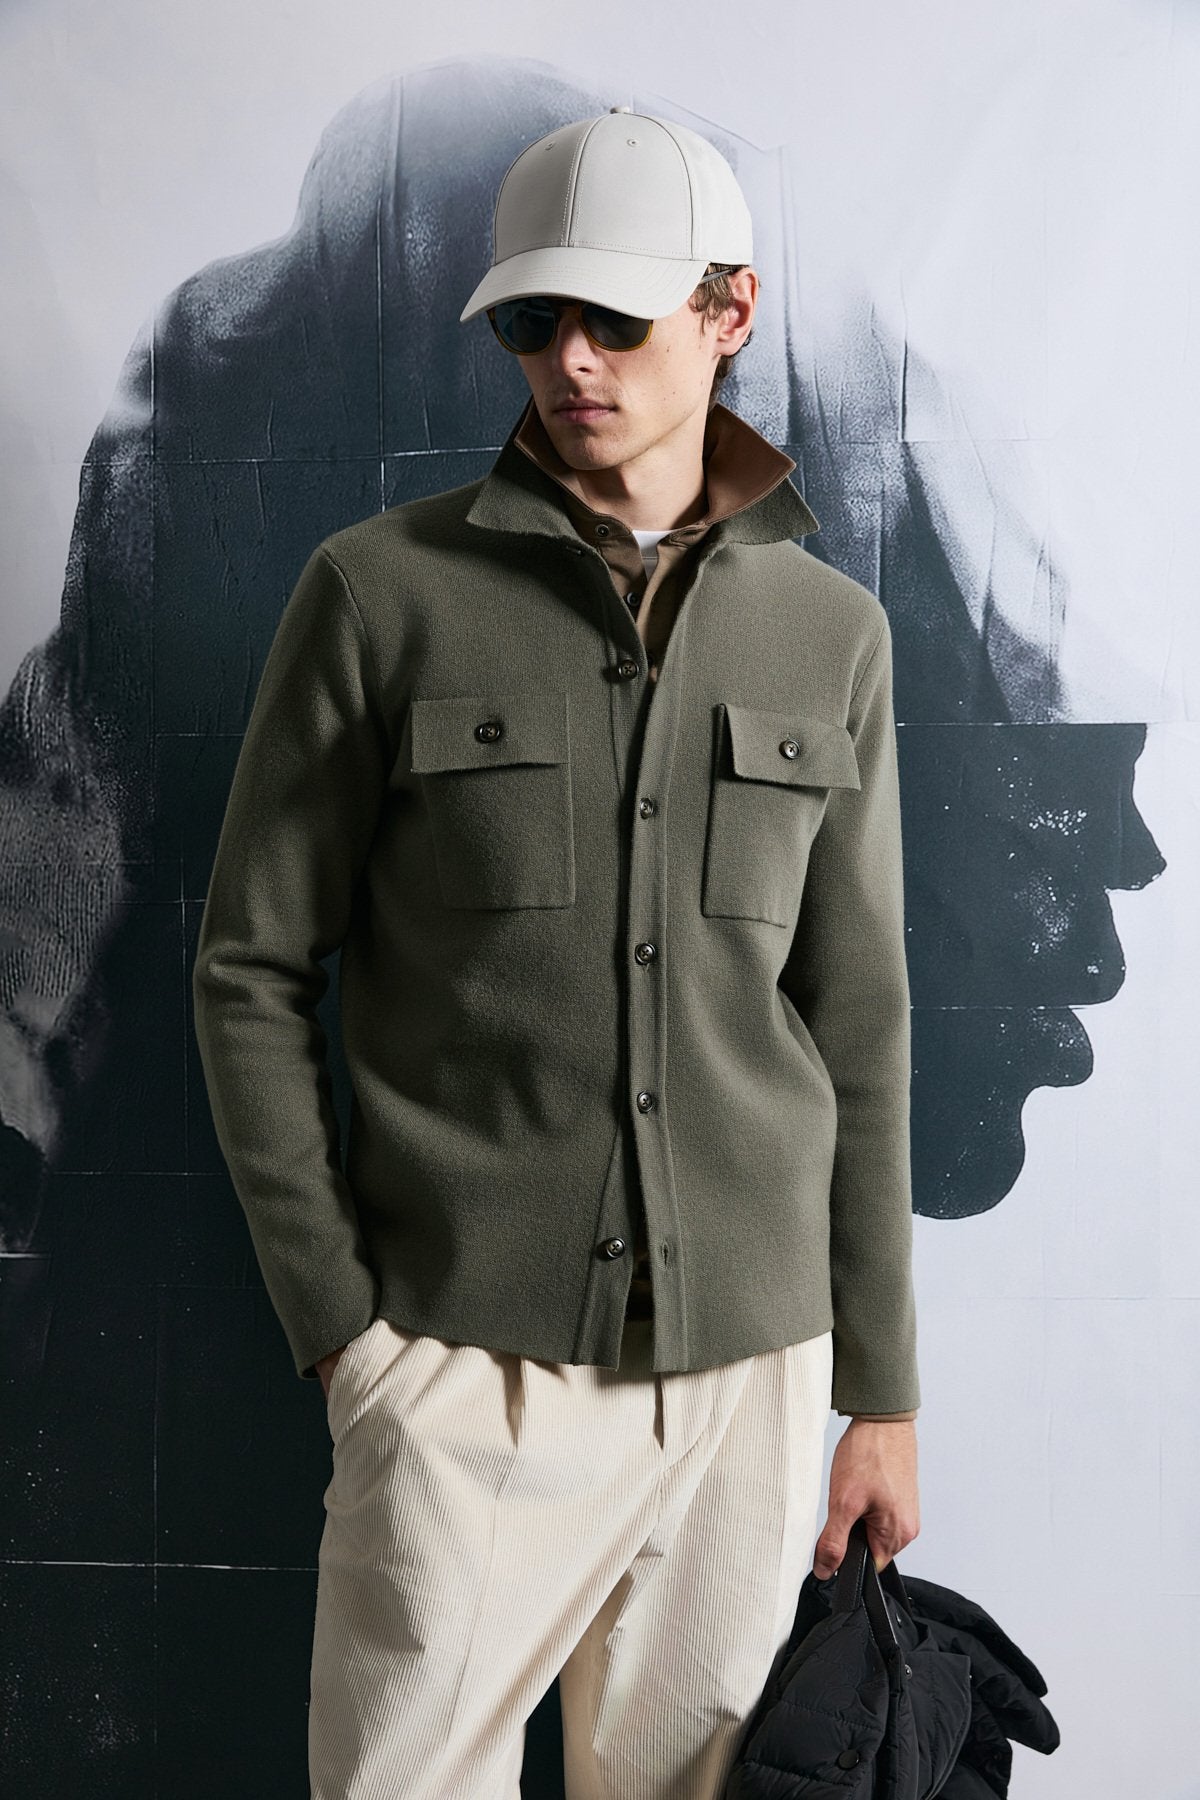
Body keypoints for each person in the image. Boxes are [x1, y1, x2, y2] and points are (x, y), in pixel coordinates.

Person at [191, 105, 921, 1800]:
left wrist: (880, 1392)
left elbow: (860, 1016)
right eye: (533, 320)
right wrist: (350, 1340)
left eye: (615, 317)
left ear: (729, 312)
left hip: (751, 1384)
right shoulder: (377, 595)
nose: (570, 360)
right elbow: (249, 970)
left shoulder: (834, 635)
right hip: (460, 1378)